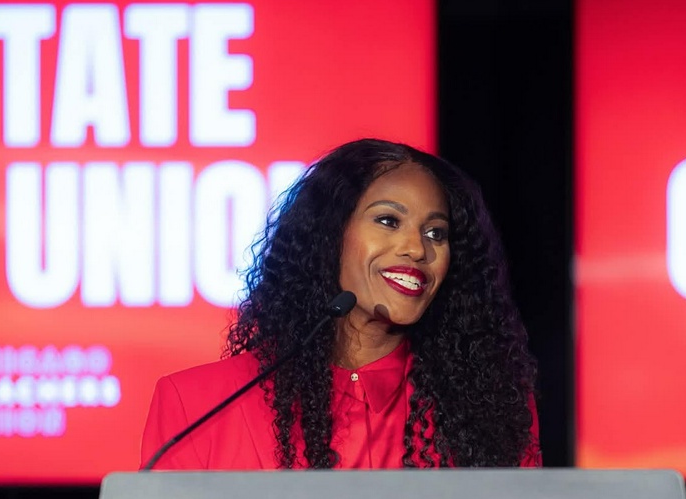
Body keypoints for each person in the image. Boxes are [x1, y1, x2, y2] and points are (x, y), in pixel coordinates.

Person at [140, 137, 541, 470]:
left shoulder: (489, 407)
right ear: (329, 235)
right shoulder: (197, 404)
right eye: (388, 221)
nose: (417, 248)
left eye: (436, 233)